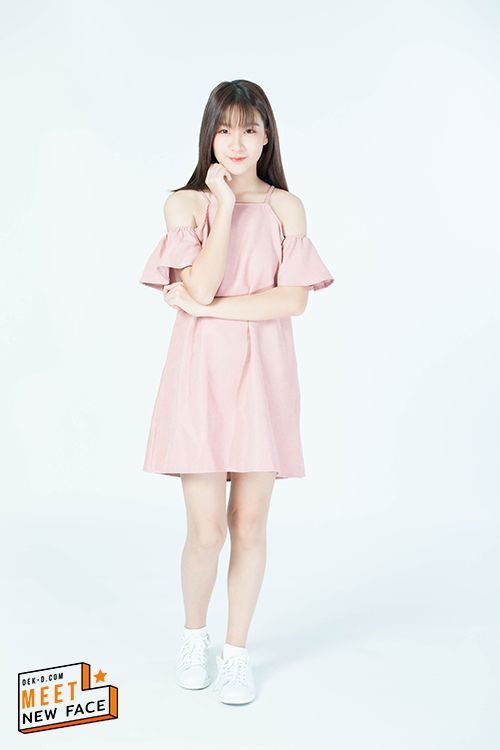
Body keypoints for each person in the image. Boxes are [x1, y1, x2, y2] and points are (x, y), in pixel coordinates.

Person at [139, 79, 335, 705]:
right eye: (225, 129)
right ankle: (193, 637)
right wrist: (222, 207)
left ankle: (236, 652)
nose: (237, 142)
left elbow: (293, 301)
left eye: (250, 128)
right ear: (209, 135)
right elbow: (197, 283)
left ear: (267, 135)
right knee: (205, 531)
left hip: (263, 378)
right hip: (199, 377)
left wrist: (209, 310)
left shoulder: (286, 207)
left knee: (249, 524)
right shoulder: (185, 204)